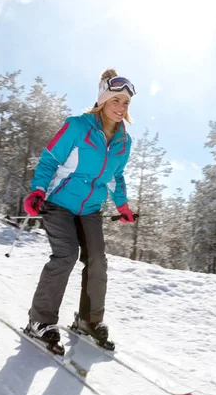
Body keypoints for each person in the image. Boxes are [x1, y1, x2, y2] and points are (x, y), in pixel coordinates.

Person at [23, 68, 136, 354]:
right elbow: (49, 160)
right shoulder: (76, 127)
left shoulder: (124, 141)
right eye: (116, 101)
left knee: (97, 260)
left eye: (126, 103)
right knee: (66, 255)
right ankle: (40, 322)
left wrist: (122, 205)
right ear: (102, 100)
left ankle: (88, 321)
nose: (121, 108)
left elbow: (115, 176)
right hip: (59, 203)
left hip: (90, 209)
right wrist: (37, 190)